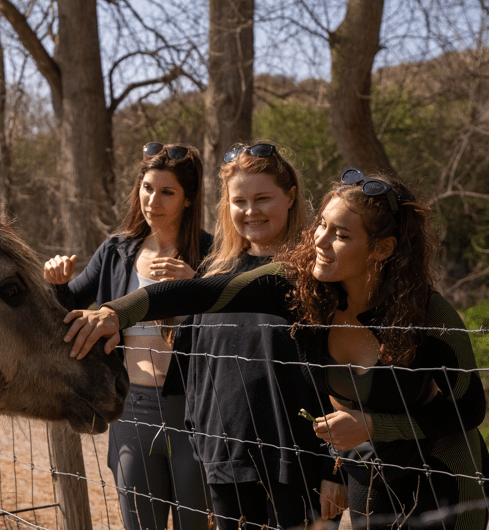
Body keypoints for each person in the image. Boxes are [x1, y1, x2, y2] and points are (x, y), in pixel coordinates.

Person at [63, 168, 489, 530]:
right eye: (321, 224)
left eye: (340, 234)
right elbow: (200, 292)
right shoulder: (298, 284)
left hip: (444, 474)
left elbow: (469, 410)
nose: (320, 241)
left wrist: (376, 426)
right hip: (369, 470)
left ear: (381, 248)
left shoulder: (427, 311)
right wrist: (115, 313)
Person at [43, 142, 214, 530]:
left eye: (167, 192)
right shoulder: (116, 250)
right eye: (147, 188)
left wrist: (199, 286)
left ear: (188, 199)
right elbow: (68, 303)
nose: (153, 200)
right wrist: (57, 282)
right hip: (130, 411)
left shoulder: (213, 253)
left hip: (195, 412)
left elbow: (237, 327)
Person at [173, 142, 343, 530]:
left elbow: (344, 379)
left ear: (290, 196)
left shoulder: (318, 278)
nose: (251, 212)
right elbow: (197, 376)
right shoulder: (214, 277)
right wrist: (204, 447)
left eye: (263, 198)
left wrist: (336, 467)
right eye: (240, 201)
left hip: (300, 469)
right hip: (226, 466)